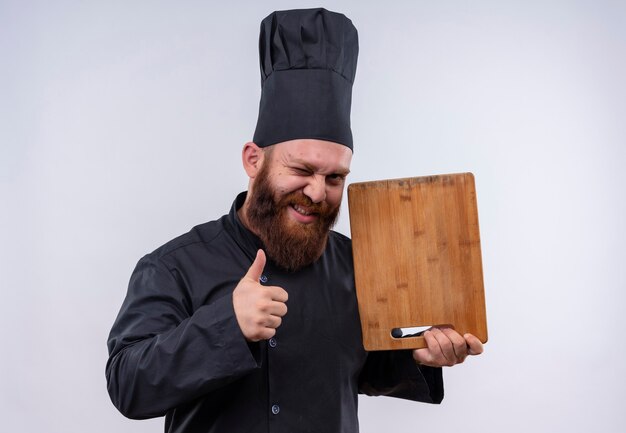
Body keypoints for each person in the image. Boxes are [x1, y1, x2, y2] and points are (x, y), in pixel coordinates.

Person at [106, 8, 483, 433]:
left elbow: (358, 371)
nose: (318, 193)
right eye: (302, 171)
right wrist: (226, 325)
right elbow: (127, 384)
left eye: (335, 177)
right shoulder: (174, 265)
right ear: (254, 161)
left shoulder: (360, 265)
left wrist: (420, 353)